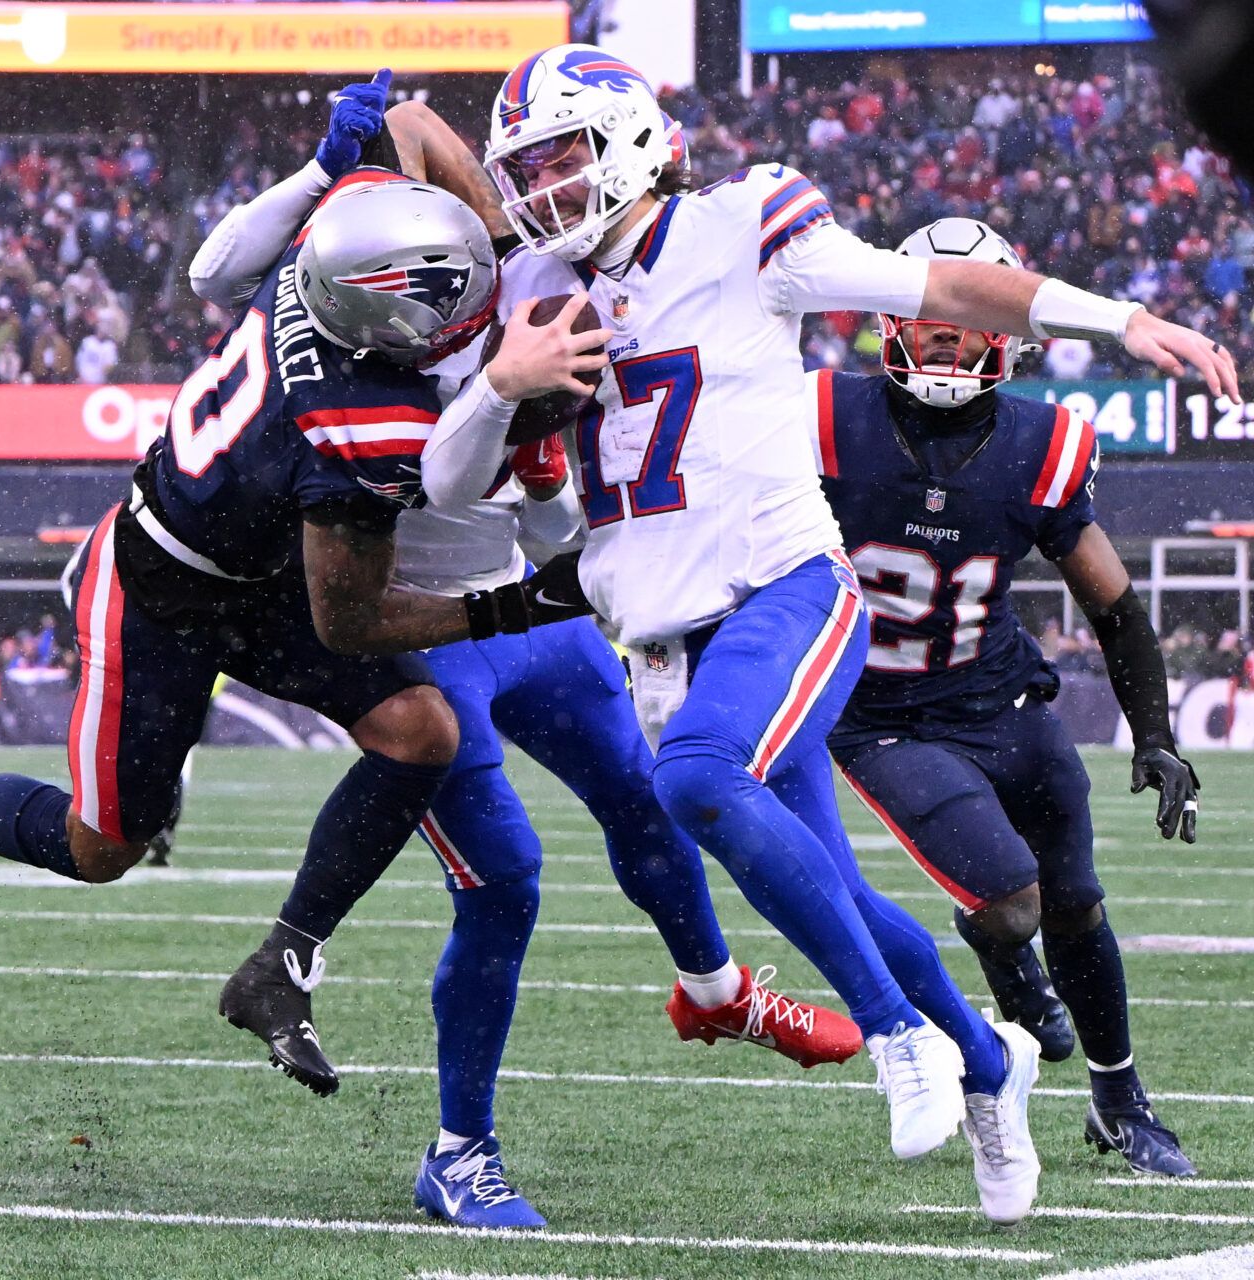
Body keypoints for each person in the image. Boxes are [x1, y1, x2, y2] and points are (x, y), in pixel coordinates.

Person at [416, 44, 1234, 1223]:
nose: (542, 188)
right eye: (524, 168)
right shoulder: (532, 283)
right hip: (668, 636)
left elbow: (941, 292)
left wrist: (1119, 318)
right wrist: (504, 380)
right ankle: (989, 1057)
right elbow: (447, 482)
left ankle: (904, 1038)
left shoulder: (744, 227)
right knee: (837, 891)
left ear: (632, 138)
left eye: (562, 156)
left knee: (693, 782)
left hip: (787, 590)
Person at [184, 78, 860, 1227]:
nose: (423, 307)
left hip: (527, 601)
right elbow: (350, 609)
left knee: (651, 797)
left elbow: (412, 135)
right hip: (439, 629)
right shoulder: (343, 398)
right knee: (505, 884)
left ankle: (713, 990)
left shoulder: (492, 254)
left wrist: (368, 171)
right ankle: (460, 1149)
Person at [0, 167, 595, 1099]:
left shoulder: (326, 253)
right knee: (100, 850)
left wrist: (495, 227)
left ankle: (280, 967)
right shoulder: (358, 418)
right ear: (387, 318)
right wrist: (514, 606)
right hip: (161, 592)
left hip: (256, 565)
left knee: (422, 733)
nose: (471, 305)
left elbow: (404, 127)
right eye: (445, 295)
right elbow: (352, 619)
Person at [815, 217, 1200, 1178]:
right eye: (932, 307)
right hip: (883, 715)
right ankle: (1009, 976)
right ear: (893, 312)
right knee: (1012, 899)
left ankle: (1120, 1104)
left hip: (1005, 700)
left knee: (1075, 901)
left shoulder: (1045, 438)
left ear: (1008, 330)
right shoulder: (819, 415)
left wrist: (1155, 735)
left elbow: (1112, 606)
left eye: (970, 311)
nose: (948, 329)